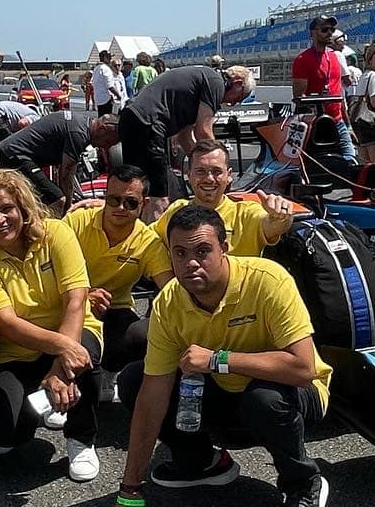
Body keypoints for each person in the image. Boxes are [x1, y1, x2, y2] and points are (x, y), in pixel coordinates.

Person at [117, 204, 332, 507]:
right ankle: (203, 463)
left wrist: (217, 360)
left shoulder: (268, 280)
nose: (191, 263)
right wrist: (130, 488)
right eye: (180, 253)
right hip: (226, 393)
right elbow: (152, 398)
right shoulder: (169, 302)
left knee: (264, 399)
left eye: (203, 251)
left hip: (294, 393)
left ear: (224, 248)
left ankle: (303, 483)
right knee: (134, 380)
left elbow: (303, 368)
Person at [0, 168, 104, 481]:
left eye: (6, 208)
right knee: (2, 436)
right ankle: (47, 400)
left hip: (73, 328)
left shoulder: (56, 232)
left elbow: (76, 299)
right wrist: (61, 348)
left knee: (83, 357)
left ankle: (81, 438)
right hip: (16, 349)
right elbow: (5, 322)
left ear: (23, 208)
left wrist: (60, 365)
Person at [61, 165, 173, 376]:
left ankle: (116, 374)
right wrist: (83, 296)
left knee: (146, 336)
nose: (120, 207)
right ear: (104, 197)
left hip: (115, 309)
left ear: (144, 204)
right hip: (67, 304)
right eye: (113, 200)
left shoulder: (148, 243)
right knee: (80, 351)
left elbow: (170, 289)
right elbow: (48, 272)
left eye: (130, 202)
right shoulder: (77, 221)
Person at [119, 65, 256, 219]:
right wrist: (220, 167)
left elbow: (185, 137)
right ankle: (154, 231)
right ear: (237, 84)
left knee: (135, 187)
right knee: (159, 198)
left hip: (132, 119)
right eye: (239, 98)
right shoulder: (216, 82)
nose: (233, 104)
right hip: (148, 124)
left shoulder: (200, 84)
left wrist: (197, 164)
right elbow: (203, 131)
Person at [153, 139, 293, 256]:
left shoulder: (245, 213)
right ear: (189, 175)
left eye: (216, 171)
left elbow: (272, 226)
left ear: (229, 175)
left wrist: (281, 217)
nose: (209, 179)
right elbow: (148, 240)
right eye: (200, 171)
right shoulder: (177, 210)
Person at [0, 113, 120, 208]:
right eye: (108, 142)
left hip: (14, 152)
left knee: (45, 196)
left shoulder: (82, 122)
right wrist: (69, 207)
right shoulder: (78, 134)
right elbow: (66, 176)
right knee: (58, 200)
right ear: (101, 129)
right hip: (14, 154)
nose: (106, 147)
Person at [291, 15, 356, 163]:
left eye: (332, 29)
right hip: (313, 124)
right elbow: (299, 97)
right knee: (311, 164)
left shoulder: (334, 57)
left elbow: (340, 94)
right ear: (313, 32)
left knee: (350, 160)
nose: (329, 33)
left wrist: (348, 125)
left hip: (337, 120)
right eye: (325, 29)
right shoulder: (302, 60)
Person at [93, 50, 119, 116]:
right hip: (106, 99)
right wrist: (118, 96)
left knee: (101, 117)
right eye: (109, 57)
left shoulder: (96, 69)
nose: (110, 59)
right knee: (108, 118)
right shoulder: (106, 69)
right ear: (104, 57)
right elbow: (110, 86)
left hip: (98, 99)